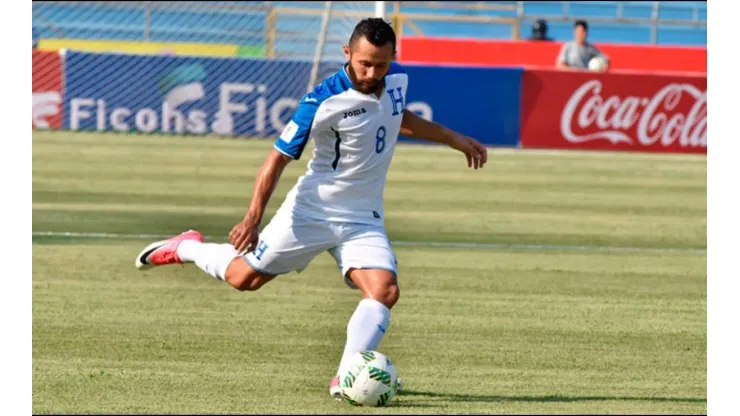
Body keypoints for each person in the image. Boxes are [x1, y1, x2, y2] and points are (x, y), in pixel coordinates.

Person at [134, 18, 488, 400]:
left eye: (381, 64)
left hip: (362, 218)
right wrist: (252, 219)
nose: (372, 73)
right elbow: (276, 160)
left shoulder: (396, 80)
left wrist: (454, 139)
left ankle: (344, 379)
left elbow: (399, 116)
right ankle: (186, 246)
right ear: (347, 54)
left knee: (384, 291)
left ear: (393, 59)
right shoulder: (322, 101)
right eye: (364, 63)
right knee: (244, 278)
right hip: (310, 213)